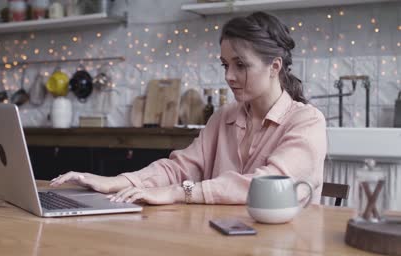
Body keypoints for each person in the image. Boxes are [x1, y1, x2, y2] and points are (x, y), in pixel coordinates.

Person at [50, 12, 327, 205]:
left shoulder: (307, 122)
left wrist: (181, 193)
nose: (229, 76)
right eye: (225, 64)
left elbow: (266, 186)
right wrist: (118, 181)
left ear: (274, 67)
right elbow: (179, 169)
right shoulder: (224, 117)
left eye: (240, 65)